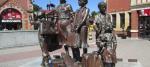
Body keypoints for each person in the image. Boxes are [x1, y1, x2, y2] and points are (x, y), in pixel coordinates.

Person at [94, 2, 117, 67]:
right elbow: (94, 24)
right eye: (103, 7)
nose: (105, 8)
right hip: (100, 34)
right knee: (101, 48)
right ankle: (102, 61)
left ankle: (108, 60)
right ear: (99, 8)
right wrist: (97, 30)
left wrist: (112, 32)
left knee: (108, 48)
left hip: (108, 33)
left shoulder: (108, 15)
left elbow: (110, 25)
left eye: (105, 7)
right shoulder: (97, 16)